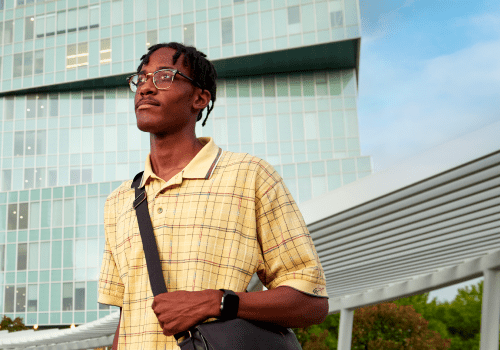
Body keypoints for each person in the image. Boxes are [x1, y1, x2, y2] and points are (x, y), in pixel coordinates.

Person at [97, 42, 329, 349]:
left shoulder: (250, 176)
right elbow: (127, 318)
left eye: (164, 76)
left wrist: (217, 302)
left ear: (199, 98)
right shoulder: (119, 201)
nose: (146, 89)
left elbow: (311, 302)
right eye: (141, 78)